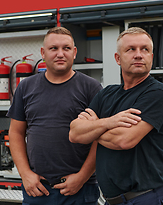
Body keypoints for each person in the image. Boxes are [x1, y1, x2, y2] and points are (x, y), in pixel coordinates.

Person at [69, 27, 163, 205]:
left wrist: (94, 127)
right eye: (131, 49)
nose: (139, 55)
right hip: (112, 201)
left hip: (145, 199)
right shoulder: (107, 94)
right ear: (118, 58)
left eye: (145, 49)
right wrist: (109, 122)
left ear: (152, 57)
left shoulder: (157, 93)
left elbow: (124, 140)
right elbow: (75, 134)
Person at [7, 26, 102, 205]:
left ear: (74, 52)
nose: (60, 54)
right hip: (37, 190)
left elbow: (100, 138)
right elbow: (16, 133)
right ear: (43, 53)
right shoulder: (26, 87)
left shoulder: (91, 88)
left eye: (66, 48)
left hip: (80, 191)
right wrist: (25, 174)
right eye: (53, 48)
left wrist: (82, 177)